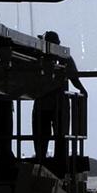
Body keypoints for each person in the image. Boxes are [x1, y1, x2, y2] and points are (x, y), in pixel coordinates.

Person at [32, 30, 87, 164]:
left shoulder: (40, 56)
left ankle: (42, 159)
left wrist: (82, 89)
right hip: (57, 104)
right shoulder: (64, 57)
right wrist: (83, 90)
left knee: (43, 136)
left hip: (44, 103)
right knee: (60, 136)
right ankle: (58, 160)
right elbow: (74, 77)